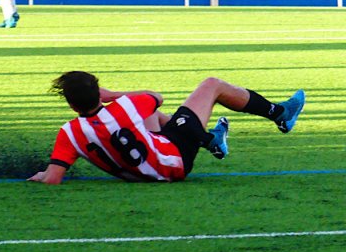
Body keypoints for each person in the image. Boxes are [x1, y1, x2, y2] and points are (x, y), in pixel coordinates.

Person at [28, 71, 305, 184]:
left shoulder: (69, 133)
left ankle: (209, 137)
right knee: (212, 85)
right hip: (174, 160)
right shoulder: (125, 106)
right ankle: (280, 114)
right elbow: (156, 96)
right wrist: (113, 95)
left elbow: (53, 178)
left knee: (157, 116)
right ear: (98, 93)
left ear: (71, 105)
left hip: (142, 172)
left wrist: (40, 175)